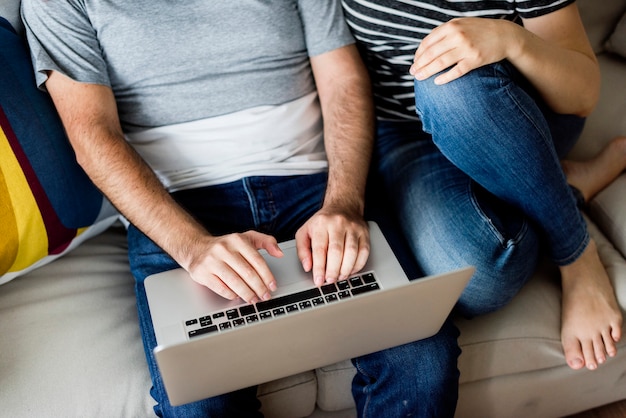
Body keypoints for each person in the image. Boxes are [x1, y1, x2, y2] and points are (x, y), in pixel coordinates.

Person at [22, 1, 464, 417]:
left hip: (316, 184)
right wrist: (193, 247)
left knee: (421, 360)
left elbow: (342, 80)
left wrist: (344, 202)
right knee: (198, 405)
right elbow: (93, 137)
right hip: (178, 206)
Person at [342, 0, 623, 375]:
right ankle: (563, 188)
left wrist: (512, 40)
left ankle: (577, 254)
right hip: (405, 133)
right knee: (477, 282)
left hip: (507, 115)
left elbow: (582, 95)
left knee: (448, 81)